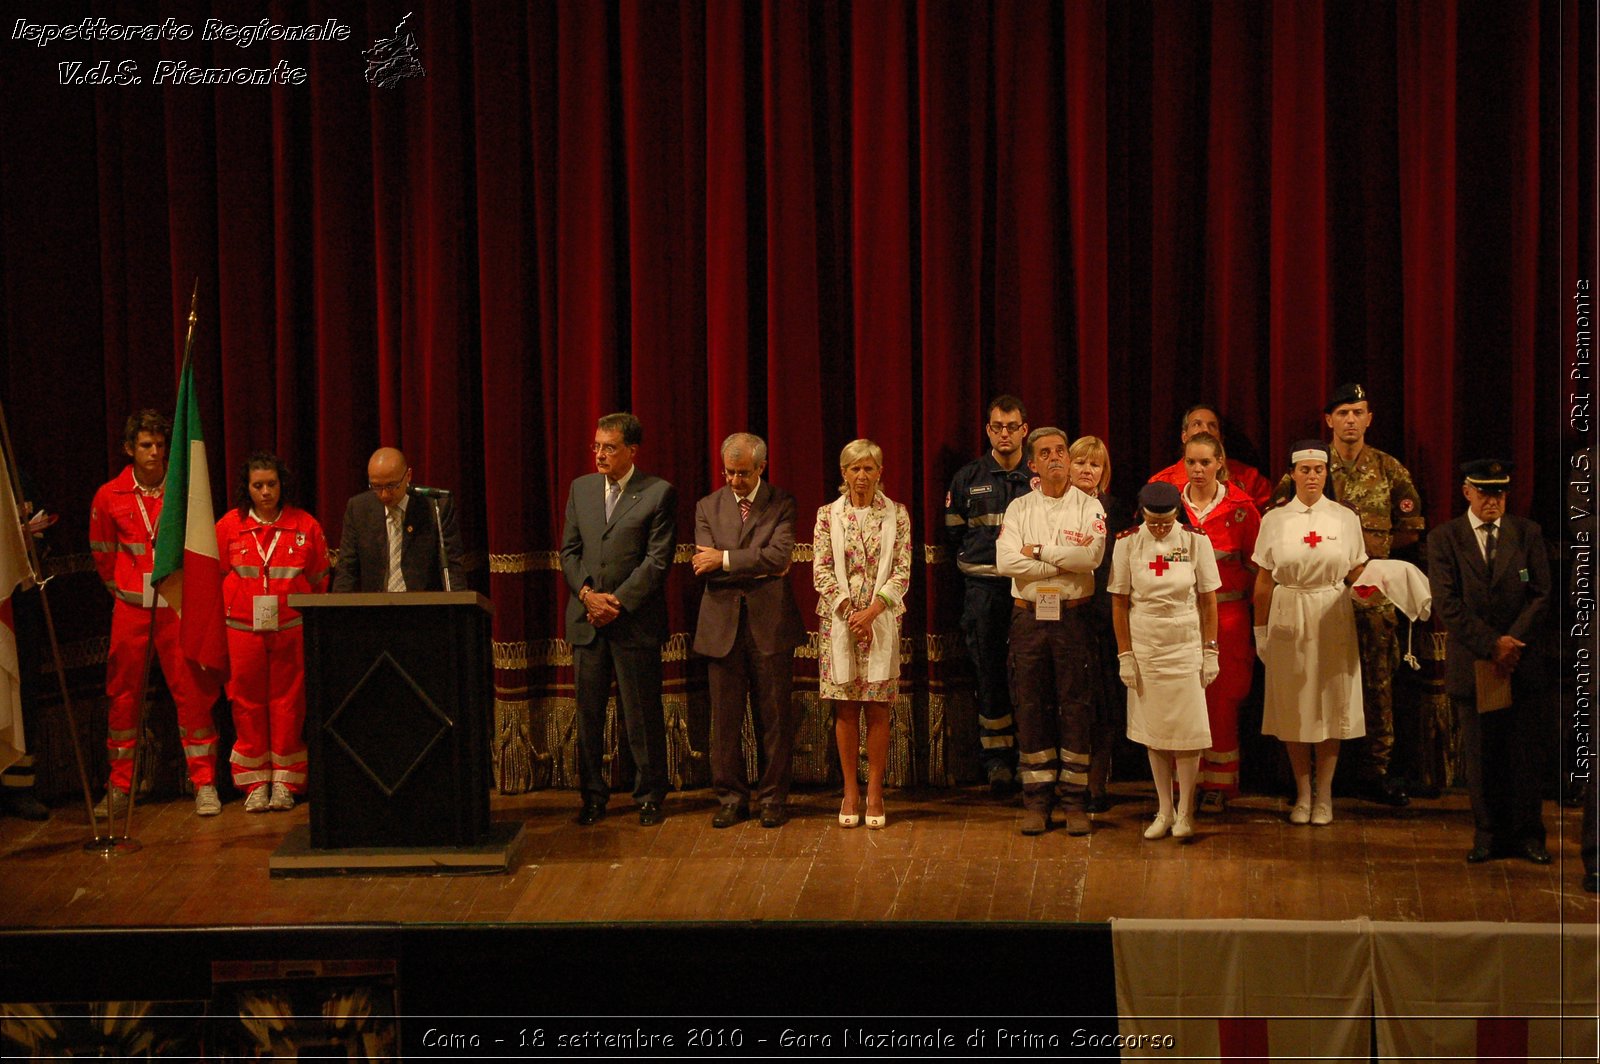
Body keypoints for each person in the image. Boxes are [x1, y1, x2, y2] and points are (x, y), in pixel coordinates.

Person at [1269, 383, 1425, 807]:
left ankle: (1375, 770)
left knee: (1375, 683)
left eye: (1358, 411)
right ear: (1329, 420)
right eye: (1343, 413)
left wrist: (1374, 562)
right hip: (1317, 597)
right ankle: (1302, 780)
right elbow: (1280, 526)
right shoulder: (1309, 467)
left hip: (1371, 597)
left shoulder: (1390, 470)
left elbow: (1411, 528)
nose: (1351, 420)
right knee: (1307, 683)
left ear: (1369, 418)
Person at [89, 410, 224, 817]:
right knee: (123, 698)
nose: (154, 452)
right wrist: (129, 590)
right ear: (130, 449)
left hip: (175, 608)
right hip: (131, 611)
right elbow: (103, 555)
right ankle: (119, 785)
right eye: (145, 445)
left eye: (160, 445)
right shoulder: (109, 496)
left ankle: (204, 783)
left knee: (192, 694)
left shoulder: (182, 493)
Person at [1426, 459, 1552, 865]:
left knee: (1524, 754)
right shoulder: (1446, 537)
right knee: (1481, 756)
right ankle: (1488, 834)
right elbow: (1447, 602)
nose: (1493, 500)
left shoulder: (1527, 533)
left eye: (1499, 492)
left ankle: (1528, 835)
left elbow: (1541, 594)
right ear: (1467, 492)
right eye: (1484, 492)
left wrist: (1512, 643)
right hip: (1477, 660)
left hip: (1521, 661)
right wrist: (1491, 644)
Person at [560, 413, 677, 826]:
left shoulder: (658, 493)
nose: (600, 455)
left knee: (641, 713)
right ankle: (593, 797)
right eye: (596, 446)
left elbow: (657, 560)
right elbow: (569, 552)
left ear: (632, 451)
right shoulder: (581, 489)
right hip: (587, 621)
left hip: (633, 623)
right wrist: (589, 596)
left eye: (609, 448)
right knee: (589, 715)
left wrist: (617, 602)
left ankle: (649, 795)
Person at [996, 427, 1107, 836]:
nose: (1058, 457)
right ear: (1034, 464)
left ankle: (1074, 801)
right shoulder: (1019, 509)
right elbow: (1007, 562)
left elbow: (1091, 556)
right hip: (1028, 619)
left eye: (1062, 450)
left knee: (1076, 706)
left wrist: (1039, 552)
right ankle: (1037, 800)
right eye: (1047, 452)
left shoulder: (1089, 507)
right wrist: (1061, 565)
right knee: (1030, 704)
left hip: (1074, 619)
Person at [692, 433, 805, 828]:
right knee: (724, 718)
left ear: (761, 467)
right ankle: (731, 797)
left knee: (774, 715)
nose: (735, 480)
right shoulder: (707, 506)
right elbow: (703, 563)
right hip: (721, 624)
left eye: (743, 473)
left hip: (769, 623)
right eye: (729, 472)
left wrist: (724, 559)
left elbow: (778, 556)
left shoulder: (782, 502)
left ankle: (773, 798)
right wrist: (748, 563)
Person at [1252, 440, 1366, 826]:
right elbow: (1264, 581)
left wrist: (1385, 583)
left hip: (1332, 614)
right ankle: (1302, 793)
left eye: (1319, 470)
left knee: (1331, 702)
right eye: (1305, 470)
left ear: (1326, 472)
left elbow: (1356, 571)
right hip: (1289, 611)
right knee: (1294, 702)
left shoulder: (1345, 518)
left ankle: (1326, 795)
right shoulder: (1275, 520)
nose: (1313, 476)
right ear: (1293, 474)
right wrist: (1260, 630)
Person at [215, 453, 329, 813]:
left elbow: (319, 579)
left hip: (290, 630)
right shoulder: (229, 527)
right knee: (246, 704)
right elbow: (215, 575)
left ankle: (285, 781)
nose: (265, 492)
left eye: (271, 485)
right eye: (258, 485)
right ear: (246, 488)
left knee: (289, 704)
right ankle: (253, 783)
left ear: (282, 485)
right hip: (242, 632)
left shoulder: (305, 525)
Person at [1110, 482, 1221, 840]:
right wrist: (1125, 654)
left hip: (1184, 642)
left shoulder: (1194, 541)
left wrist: (1211, 649)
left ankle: (1186, 812)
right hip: (1146, 643)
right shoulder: (1127, 542)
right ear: (1142, 515)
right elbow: (1119, 602)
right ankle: (1164, 809)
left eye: (1167, 523)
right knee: (1154, 732)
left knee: (1187, 733)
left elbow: (1208, 599)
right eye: (1153, 523)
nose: (1160, 530)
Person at [813, 439, 911, 830]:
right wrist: (851, 614)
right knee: (846, 706)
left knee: (877, 706)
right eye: (855, 469)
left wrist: (871, 612)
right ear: (844, 473)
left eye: (869, 468)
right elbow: (821, 570)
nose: (862, 476)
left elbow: (901, 570)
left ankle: (875, 791)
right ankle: (849, 790)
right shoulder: (828, 515)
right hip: (839, 621)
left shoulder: (896, 515)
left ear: (880, 472)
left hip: (881, 619)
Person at [943, 395, 1033, 795]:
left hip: (1031, 591)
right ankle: (997, 762)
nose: (1005, 434)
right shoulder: (968, 477)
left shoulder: (1038, 476)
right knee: (991, 674)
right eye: (997, 426)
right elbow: (954, 532)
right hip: (984, 590)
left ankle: (1033, 757)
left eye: (1012, 427)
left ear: (1024, 430)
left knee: (1032, 676)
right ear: (987, 430)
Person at [1175, 431, 1261, 809]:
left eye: (1205, 462)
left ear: (1220, 464)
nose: (1198, 470)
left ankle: (1220, 784)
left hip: (1228, 619)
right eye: (1191, 462)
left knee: (1222, 702)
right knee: (1182, 700)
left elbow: (1259, 571)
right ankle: (1184, 785)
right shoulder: (1170, 508)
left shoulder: (1243, 509)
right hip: (1179, 618)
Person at [1071, 435, 1134, 813]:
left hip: (1105, 619)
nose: (1087, 470)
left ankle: (1096, 784)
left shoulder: (1118, 512)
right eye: (1080, 462)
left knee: (1103, 705)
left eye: (1095, 464)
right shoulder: (1054, 508)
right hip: (1065, 616)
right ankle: (1068, 783)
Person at [330, 447, 465, 593]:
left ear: (408, 476)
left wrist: (457, 609)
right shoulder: (358, 509)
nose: (384, 494)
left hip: (424, 608)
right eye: (376, 486)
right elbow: (346, 570)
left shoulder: (435, 507)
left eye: (391, 486)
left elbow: (452, 567)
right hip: (376, 609)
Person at [1149, 403, 1274, 511]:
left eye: (1212, 425)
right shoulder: (1162, 484)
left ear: (1221, 438)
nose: (1205, 430)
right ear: (1184, 436)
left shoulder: (1249, 479)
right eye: (1197, 424)